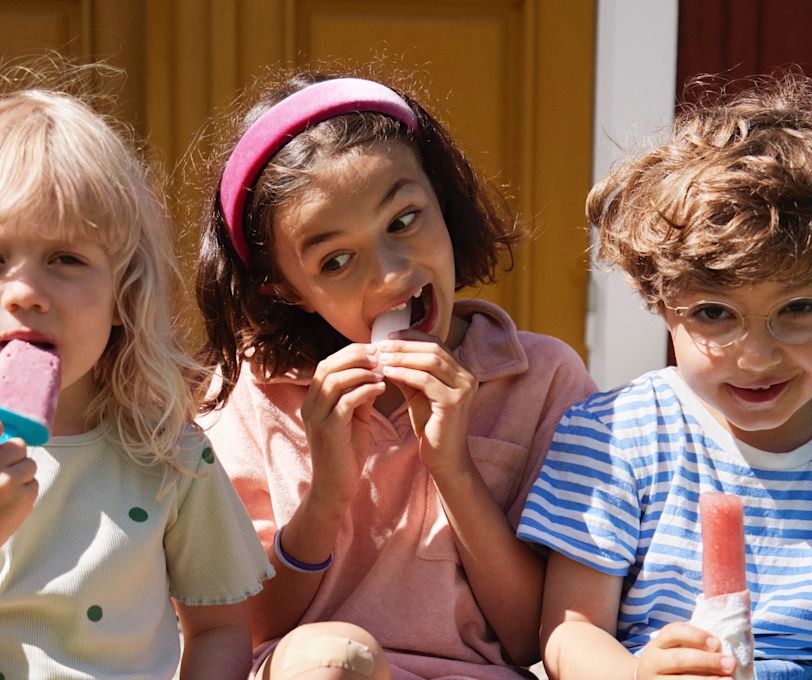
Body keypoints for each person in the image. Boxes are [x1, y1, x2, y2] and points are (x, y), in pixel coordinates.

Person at [518, 72, 812, 680]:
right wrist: (635, 675)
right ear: (660, 303)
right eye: (713, 313)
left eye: (798, 309)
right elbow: (570, 631)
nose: (755, 356)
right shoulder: (616, 437)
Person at [0, 64, 273, 680]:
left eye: (65, 258)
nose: (25, 292)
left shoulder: (167, 452)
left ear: (124, 294)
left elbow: (220, 626)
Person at [192, 72, 597, 679]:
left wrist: (453, 468)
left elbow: (530, 642)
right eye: (334, 261)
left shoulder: (543, 380)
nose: (388, 275)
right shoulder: (250, 397)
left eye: (404, 220)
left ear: (442, 199)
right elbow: (244, 628)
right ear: (288, 288)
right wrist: (327, 492)